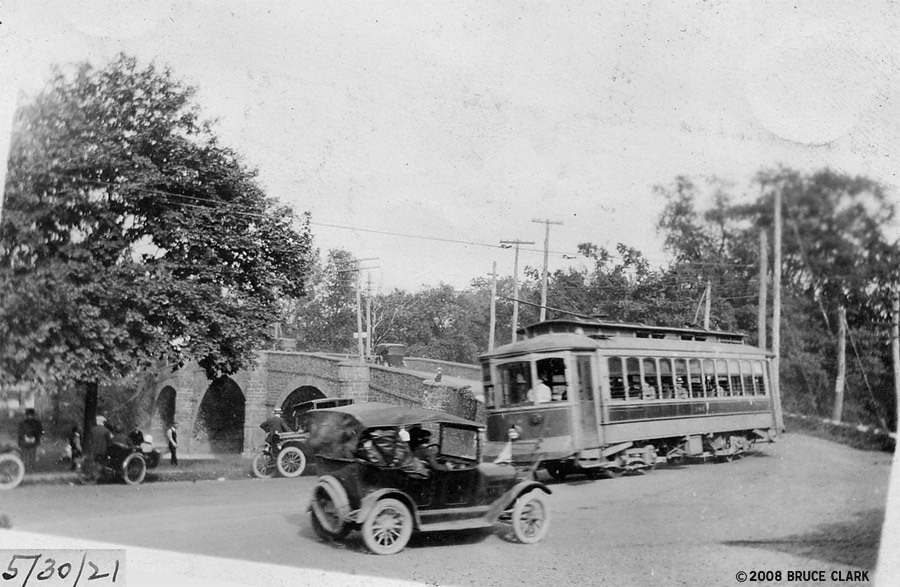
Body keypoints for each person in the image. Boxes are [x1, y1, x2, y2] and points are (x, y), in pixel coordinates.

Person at [83, 415, 112, 480]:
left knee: (95, 462)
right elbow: (109, 441)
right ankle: (100, 475)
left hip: (94, 449)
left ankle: (93, 475)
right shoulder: (106, 430)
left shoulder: (93, 429)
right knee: (103, 462)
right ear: (103, 422)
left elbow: (90, 440)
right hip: (103, 449)